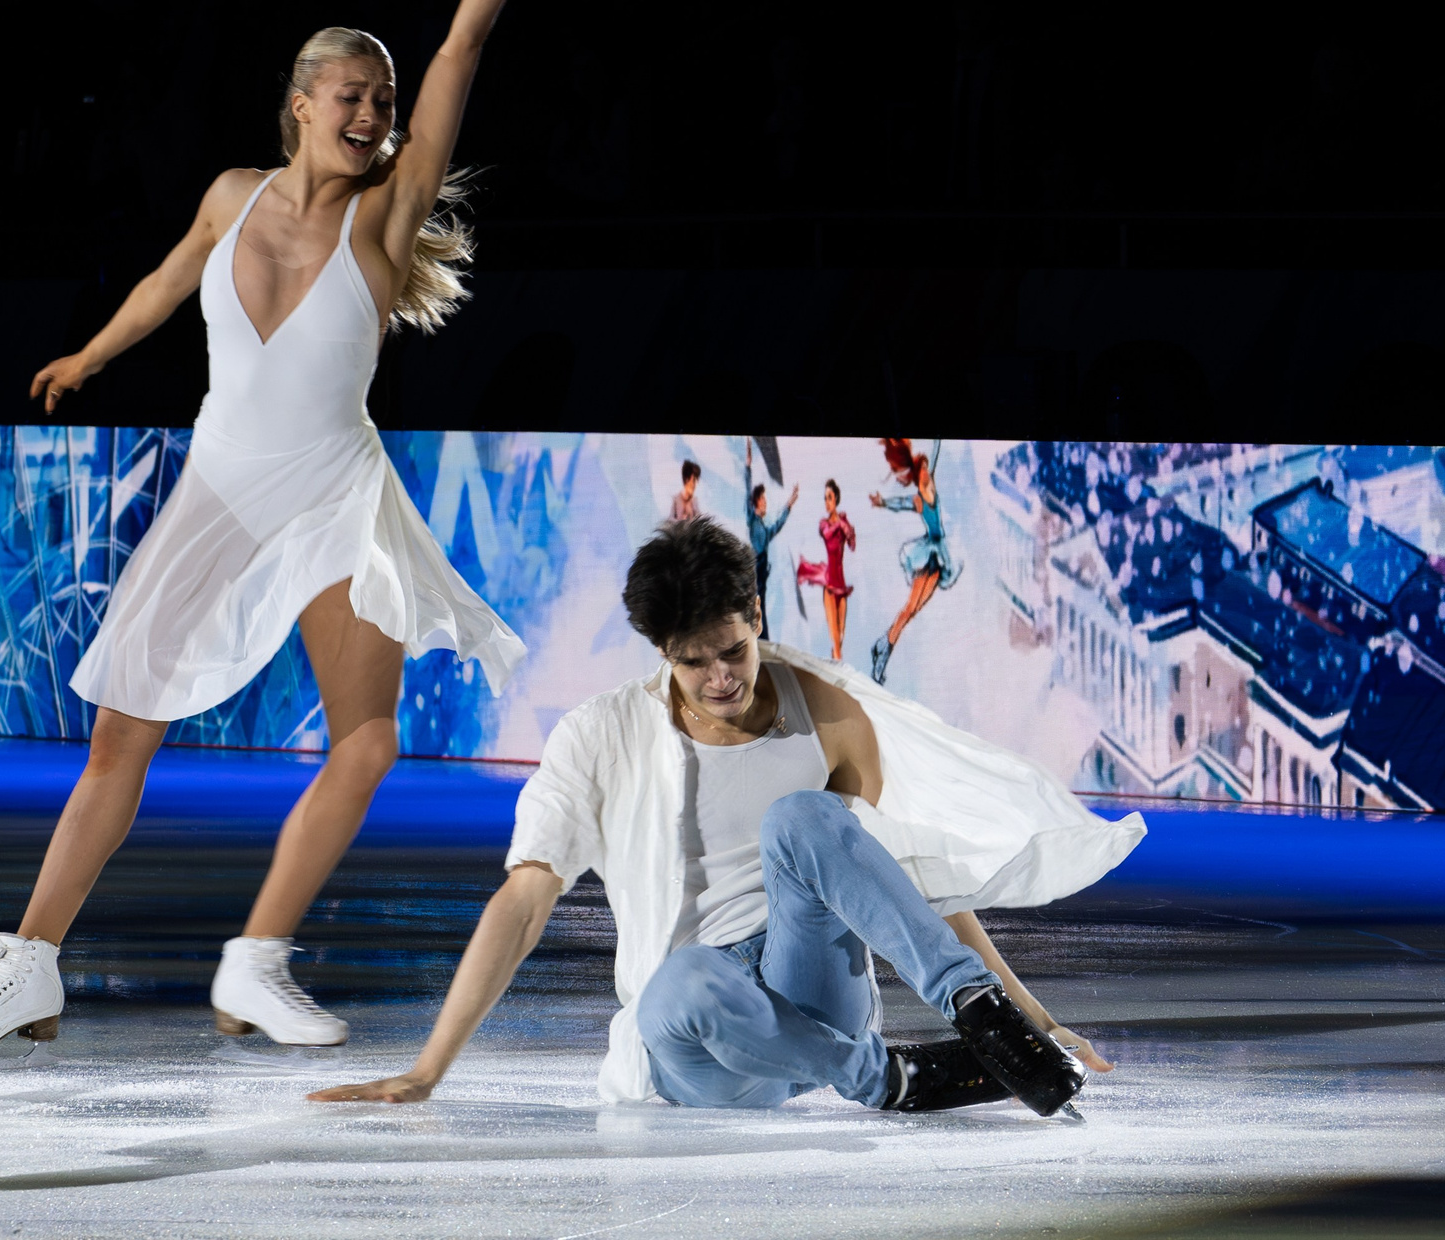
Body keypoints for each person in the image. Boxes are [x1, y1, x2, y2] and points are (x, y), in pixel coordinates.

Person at [0, 0, 611, 1052]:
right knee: (117, 744)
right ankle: (27, 965)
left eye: (384, 104)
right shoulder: (230, 196)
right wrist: (89, 353)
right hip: (222, 496)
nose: (374, 114)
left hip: (336, 493)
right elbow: (165, 279)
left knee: (368, 740)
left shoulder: (388, 218)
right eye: (354, 97)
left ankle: (257, 960)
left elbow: (463, 44)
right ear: (301, 105)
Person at [308, 517, 1141, 1114]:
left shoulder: (829, 714)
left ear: (758, 620)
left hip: (811, 985)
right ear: (661, 652)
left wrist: (1026, 1014)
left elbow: (897, 878)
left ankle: (981, 1027)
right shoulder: (600, 735)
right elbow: (524, 901)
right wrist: (427, 1070)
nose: (718, 678)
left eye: (733, 651)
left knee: (803, 820)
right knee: (680, 981)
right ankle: (895, 1082)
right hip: (701, 1042)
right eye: (692, 661)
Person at [868, 438, 957, 685]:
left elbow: (932, 457)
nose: (896, 479)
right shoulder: (920, 495)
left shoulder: (926, 486)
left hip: (937, 555)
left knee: (913, 610)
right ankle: (881, 657)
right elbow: (904, 503)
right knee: (909, 609)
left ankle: (881, 643)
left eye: (897, 473)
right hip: (929, 554)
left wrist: (929, 456)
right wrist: (883, 502)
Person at [795, 480, 858, 661]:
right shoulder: (825, 524)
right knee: (836, 645)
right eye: (825, 498)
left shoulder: (842, 522)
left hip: (842, 587)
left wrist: (850, 531)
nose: (827, 502)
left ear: (836, 499)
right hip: (830, 586)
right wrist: (841, 524)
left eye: (830, 498)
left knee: (841, 638)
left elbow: (852, 545)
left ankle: (834, 666)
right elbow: (828, 534)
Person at [742, 442, 797, 640]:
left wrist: (789, 504)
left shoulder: (765, 528)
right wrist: (748, 466)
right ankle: (757, 639)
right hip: (756, 567)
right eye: (763, 499)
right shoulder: (752, 518)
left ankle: (762, 639)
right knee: (756, 605)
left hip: (762, 569)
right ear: (756, 503)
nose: (765, 502)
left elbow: (778, 525)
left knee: (761, 605)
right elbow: (746, 490)